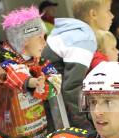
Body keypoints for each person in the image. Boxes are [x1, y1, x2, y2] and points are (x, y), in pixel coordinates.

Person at [0, 6, 61, 138]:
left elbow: (55, 82)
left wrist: (41, 87)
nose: (44, 43)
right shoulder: (4, 57)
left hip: (40, 130)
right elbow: (15, 73)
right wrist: (33, 82)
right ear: (25, 39)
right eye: (40, 37)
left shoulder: (37, 58)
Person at [42, 0, 113, 130]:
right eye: (108, 10)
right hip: (56, 113)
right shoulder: (82, 37)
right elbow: (72, 87)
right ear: (93, 14)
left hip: (52, 107)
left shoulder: (75, 33)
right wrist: (89, 127)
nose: (112, 16)